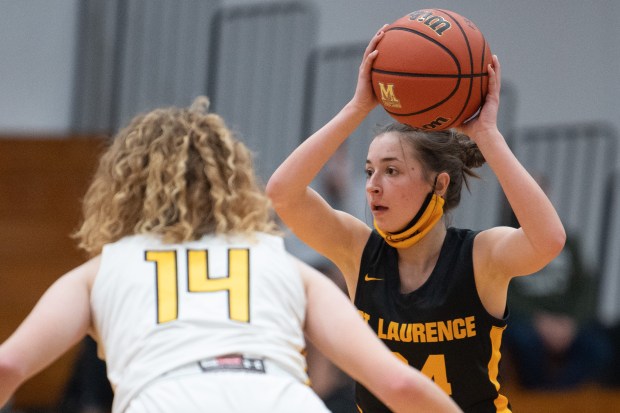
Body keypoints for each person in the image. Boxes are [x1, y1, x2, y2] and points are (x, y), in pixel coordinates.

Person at [0, 97, 462, 413]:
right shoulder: (282, 264)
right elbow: (399, 384)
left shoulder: (102, 271)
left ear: (125, 188)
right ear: (234, 180)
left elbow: (8, 366)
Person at [266, 26, 566, 413]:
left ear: (438, 184)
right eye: (369, 170)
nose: (372, 186)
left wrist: (487, 134)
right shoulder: (359, 251)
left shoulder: (479, 256)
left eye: (391, 171)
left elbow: (549, 240)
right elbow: (282, 192)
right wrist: (357, 107)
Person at [504, 223, 613, 390]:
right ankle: (537, 394)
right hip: (525, 320)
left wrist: (571, 323)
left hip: (566, 321)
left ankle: (556, 394)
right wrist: (538, 320)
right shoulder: (504, 239)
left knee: (599, 347)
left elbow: (586, 287)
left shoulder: (565, 239)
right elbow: (502, 291)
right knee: (525, 342)